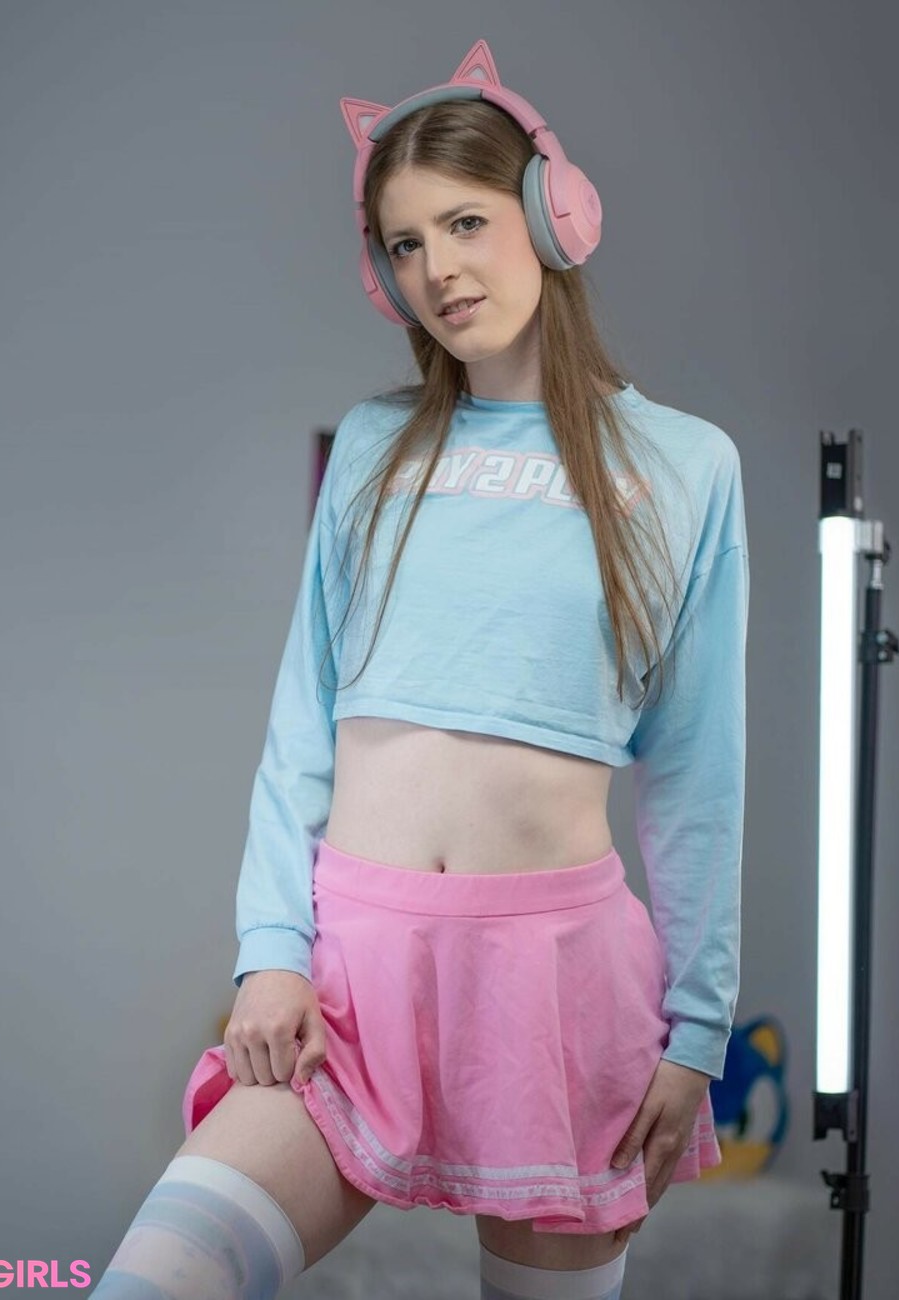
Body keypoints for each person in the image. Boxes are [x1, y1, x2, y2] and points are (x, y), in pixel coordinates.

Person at [89, 38, 749, 1300]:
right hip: (351, 982)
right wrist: (269, 948)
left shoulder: (684, 464)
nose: (437, 268)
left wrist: (698, 1029)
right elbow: (303, 720)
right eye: (403, 243)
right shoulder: (376, 447)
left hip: (560, 990)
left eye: (465, 222)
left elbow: (698, 771)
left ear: (552, 215)